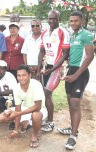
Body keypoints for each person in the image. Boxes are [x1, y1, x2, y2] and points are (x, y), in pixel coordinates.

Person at [57, 11, 94, 150]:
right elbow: (68, 55)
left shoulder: (87, 35)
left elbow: (89, 56)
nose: (73, 23)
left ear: (82, 22)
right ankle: (73, 128)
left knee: (75, 103)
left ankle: (73, 137)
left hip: (81, 72)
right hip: (70, 71)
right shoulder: (70, 35)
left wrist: (76, 75)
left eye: (76, 21)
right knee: (69, 102)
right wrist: (63, 68)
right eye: (71, 21)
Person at [0, 64, 47, 148]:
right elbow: (18, 109)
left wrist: (17, 114)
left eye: (24, 75)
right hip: (25, 109)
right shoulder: (16, 88)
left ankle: (34, 135)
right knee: (1, 117)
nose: (21, 78)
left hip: (40, 110)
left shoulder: (36, 84)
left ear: (29, 75)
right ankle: (25, 124)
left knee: (36, 115)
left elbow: (37, 106)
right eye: (19, 75)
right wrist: (15, 130)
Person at [38, 10, 70, 132]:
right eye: (50, 19)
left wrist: (52, 69)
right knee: (43, 93)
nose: (51, 21)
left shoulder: (63, 32)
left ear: (59, 19)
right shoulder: (45, 33)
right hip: (46, 66)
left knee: (47, 92)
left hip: (57, 67)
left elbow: (65, 54)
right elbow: (42, 51)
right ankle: (46, 118)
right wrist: (40, 66)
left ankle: (51, 123)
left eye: (54, 19)